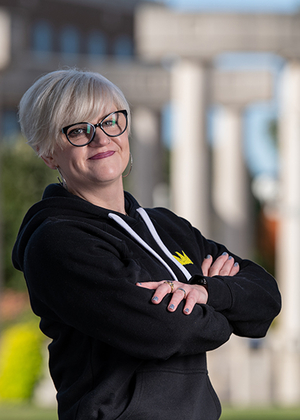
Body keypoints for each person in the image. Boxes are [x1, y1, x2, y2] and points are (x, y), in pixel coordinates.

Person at [12, 69, 281, 420]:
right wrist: (225, 312)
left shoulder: (167, 227)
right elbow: (164, 332)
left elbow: (265, 299)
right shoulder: (56, 241)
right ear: (48, 153)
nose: (102, 139)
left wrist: (204, 292)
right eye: (79, 130)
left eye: (111, 121)